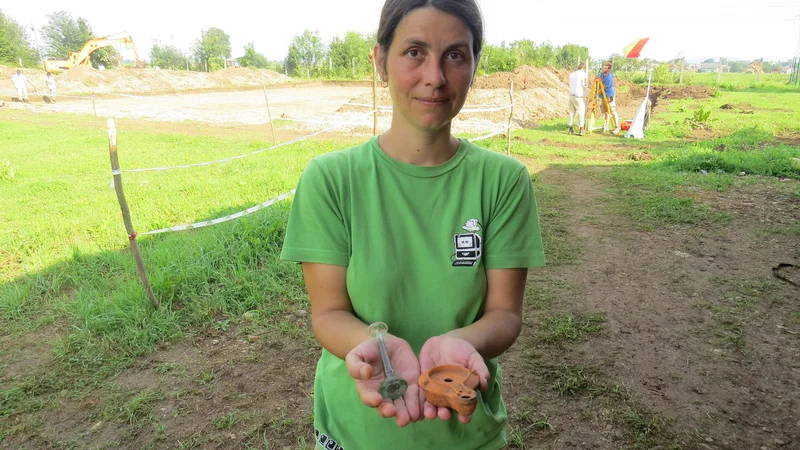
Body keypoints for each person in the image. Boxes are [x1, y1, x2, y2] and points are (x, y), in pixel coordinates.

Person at [280, 1, 545, 449]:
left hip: (466, 428)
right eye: (414, 52)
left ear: (476, 65)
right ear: (380, 61)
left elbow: (505, 314)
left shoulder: (503, 181)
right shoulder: (331, 180)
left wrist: (462, 342)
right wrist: (377, 350)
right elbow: (328, 314)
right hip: (357, 427)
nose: (436, 77)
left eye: (455, 55)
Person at [599, 62, 621, 134]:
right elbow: (600, 80)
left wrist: (596, 93)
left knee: (612, 111)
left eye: (605, 68)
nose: (603, 69)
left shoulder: (609, 78)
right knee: (605, 112)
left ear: (608, 70)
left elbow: (603, 87)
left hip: (609, 96)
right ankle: (606, 125)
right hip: (603, 95)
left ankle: (617, 127)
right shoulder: (602, 74)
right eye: (603, 67)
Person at [568, 62, 588, 136]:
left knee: (571, 112)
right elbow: (584, 82)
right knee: (580, 113)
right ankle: (581, 129)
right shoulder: (582, 73)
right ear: (583, 68)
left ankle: (570, 128)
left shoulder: (571, 74)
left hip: (571, 96)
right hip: (578, 96)